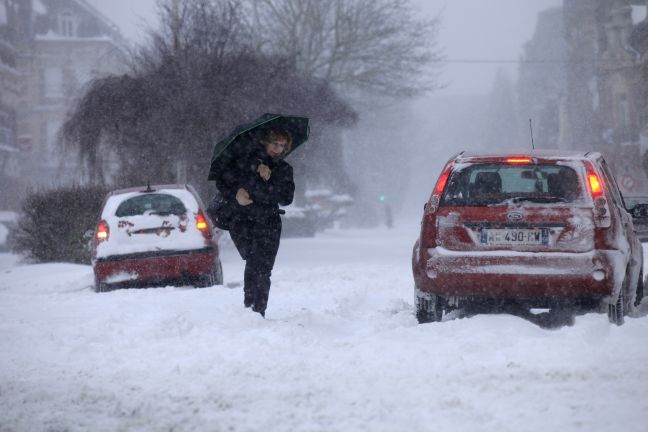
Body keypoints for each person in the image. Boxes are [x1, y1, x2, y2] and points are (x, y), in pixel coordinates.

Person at [212, 127, 295, 317]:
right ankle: (252, 309)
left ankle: (256, 310)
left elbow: (286, 197)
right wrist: (237, 193)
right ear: (265, 142)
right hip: (242, 221)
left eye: (283, 146)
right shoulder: (242, 162)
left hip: (269, 222)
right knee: (253, 262)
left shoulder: (284, 169)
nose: (278, 149)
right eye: (275, 144)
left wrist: (270, 179)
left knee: (262, 267)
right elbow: (223, 182)